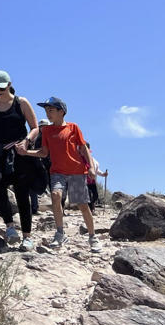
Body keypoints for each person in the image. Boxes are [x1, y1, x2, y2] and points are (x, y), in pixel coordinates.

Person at [17, 97, 102, 252]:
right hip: (57, 172)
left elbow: (83, 148)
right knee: (56, 195)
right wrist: (26, 152)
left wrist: (90, 167)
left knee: (83, 205)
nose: (48, 113)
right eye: (46, 110)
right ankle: (60, 233)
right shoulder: (47, 131)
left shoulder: (73, 128)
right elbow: (44, 153)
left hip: (76, 171)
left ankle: (92, 237)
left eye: (51, 110)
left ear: (61, 112)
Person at [0, 70, 39, 251]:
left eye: (1, 87)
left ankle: (27, 237)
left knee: (22, 194)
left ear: (8, 84)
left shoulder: (21, 103)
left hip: (19, 154)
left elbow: (35, 127)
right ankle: (10, 227)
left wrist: (27, 141)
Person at [86, 142, 108, 211]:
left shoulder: (94, 161)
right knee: (88, 196)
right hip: (84, 181)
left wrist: (103, 174)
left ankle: (91, 206)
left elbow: (97, 170)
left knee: (95, 196)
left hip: (92, 181)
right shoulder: (80, 160)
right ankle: (91, 210)